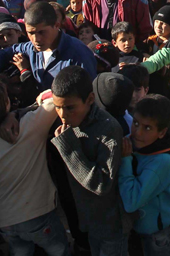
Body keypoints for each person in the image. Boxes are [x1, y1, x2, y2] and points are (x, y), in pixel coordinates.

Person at [0, 77, 70, 256]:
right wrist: (15, 113)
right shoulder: (29, 124)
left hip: (4, 221)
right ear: (7, 104)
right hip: (39, 215)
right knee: (58, 249)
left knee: (20, 252)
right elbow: (57, 96)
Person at [50, 66, 131, 256]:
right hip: (90, 220)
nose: (62, 115)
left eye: (69, 107)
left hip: (112, 224)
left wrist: (69, 148)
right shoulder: (71, 120)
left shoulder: (108, 130)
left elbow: (102, 184)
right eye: (58, 107)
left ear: (90, 100)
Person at [0, 1, 97, 90]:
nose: (36, 39)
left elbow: (86, 98)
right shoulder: (30, 48)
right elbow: (4, 53)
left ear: (56, 25)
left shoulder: (79, 55)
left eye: (41, 32)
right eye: (31, 33)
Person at [118, 95, 170, 255]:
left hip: (157, 236)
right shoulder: (136, 144)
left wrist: (126, 160)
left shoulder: (160, 162)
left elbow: (131, 201)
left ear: (162, 132)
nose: (138, 132)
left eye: (147, 128)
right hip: (138, 229)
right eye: (135, 123)